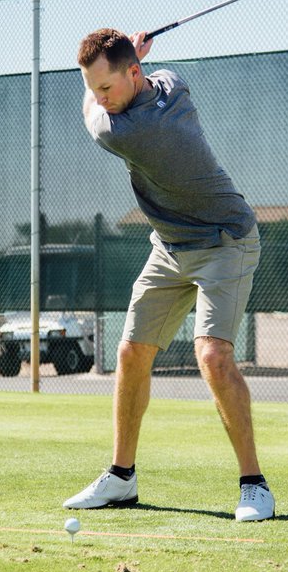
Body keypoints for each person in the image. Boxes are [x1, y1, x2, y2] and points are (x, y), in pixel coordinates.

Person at [63, 27, 273, 521]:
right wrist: (125, 61)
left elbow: (88, 115)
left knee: (213, 355)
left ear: (133, 72)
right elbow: (136, 80)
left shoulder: (123, 130)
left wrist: (97, 91)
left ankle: (254, 485)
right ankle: (121, 476)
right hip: (169, 245)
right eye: (94, 88)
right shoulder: (173, 83)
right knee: (132, 351)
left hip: (225, 239)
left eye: (106, 88)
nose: (101, 99)